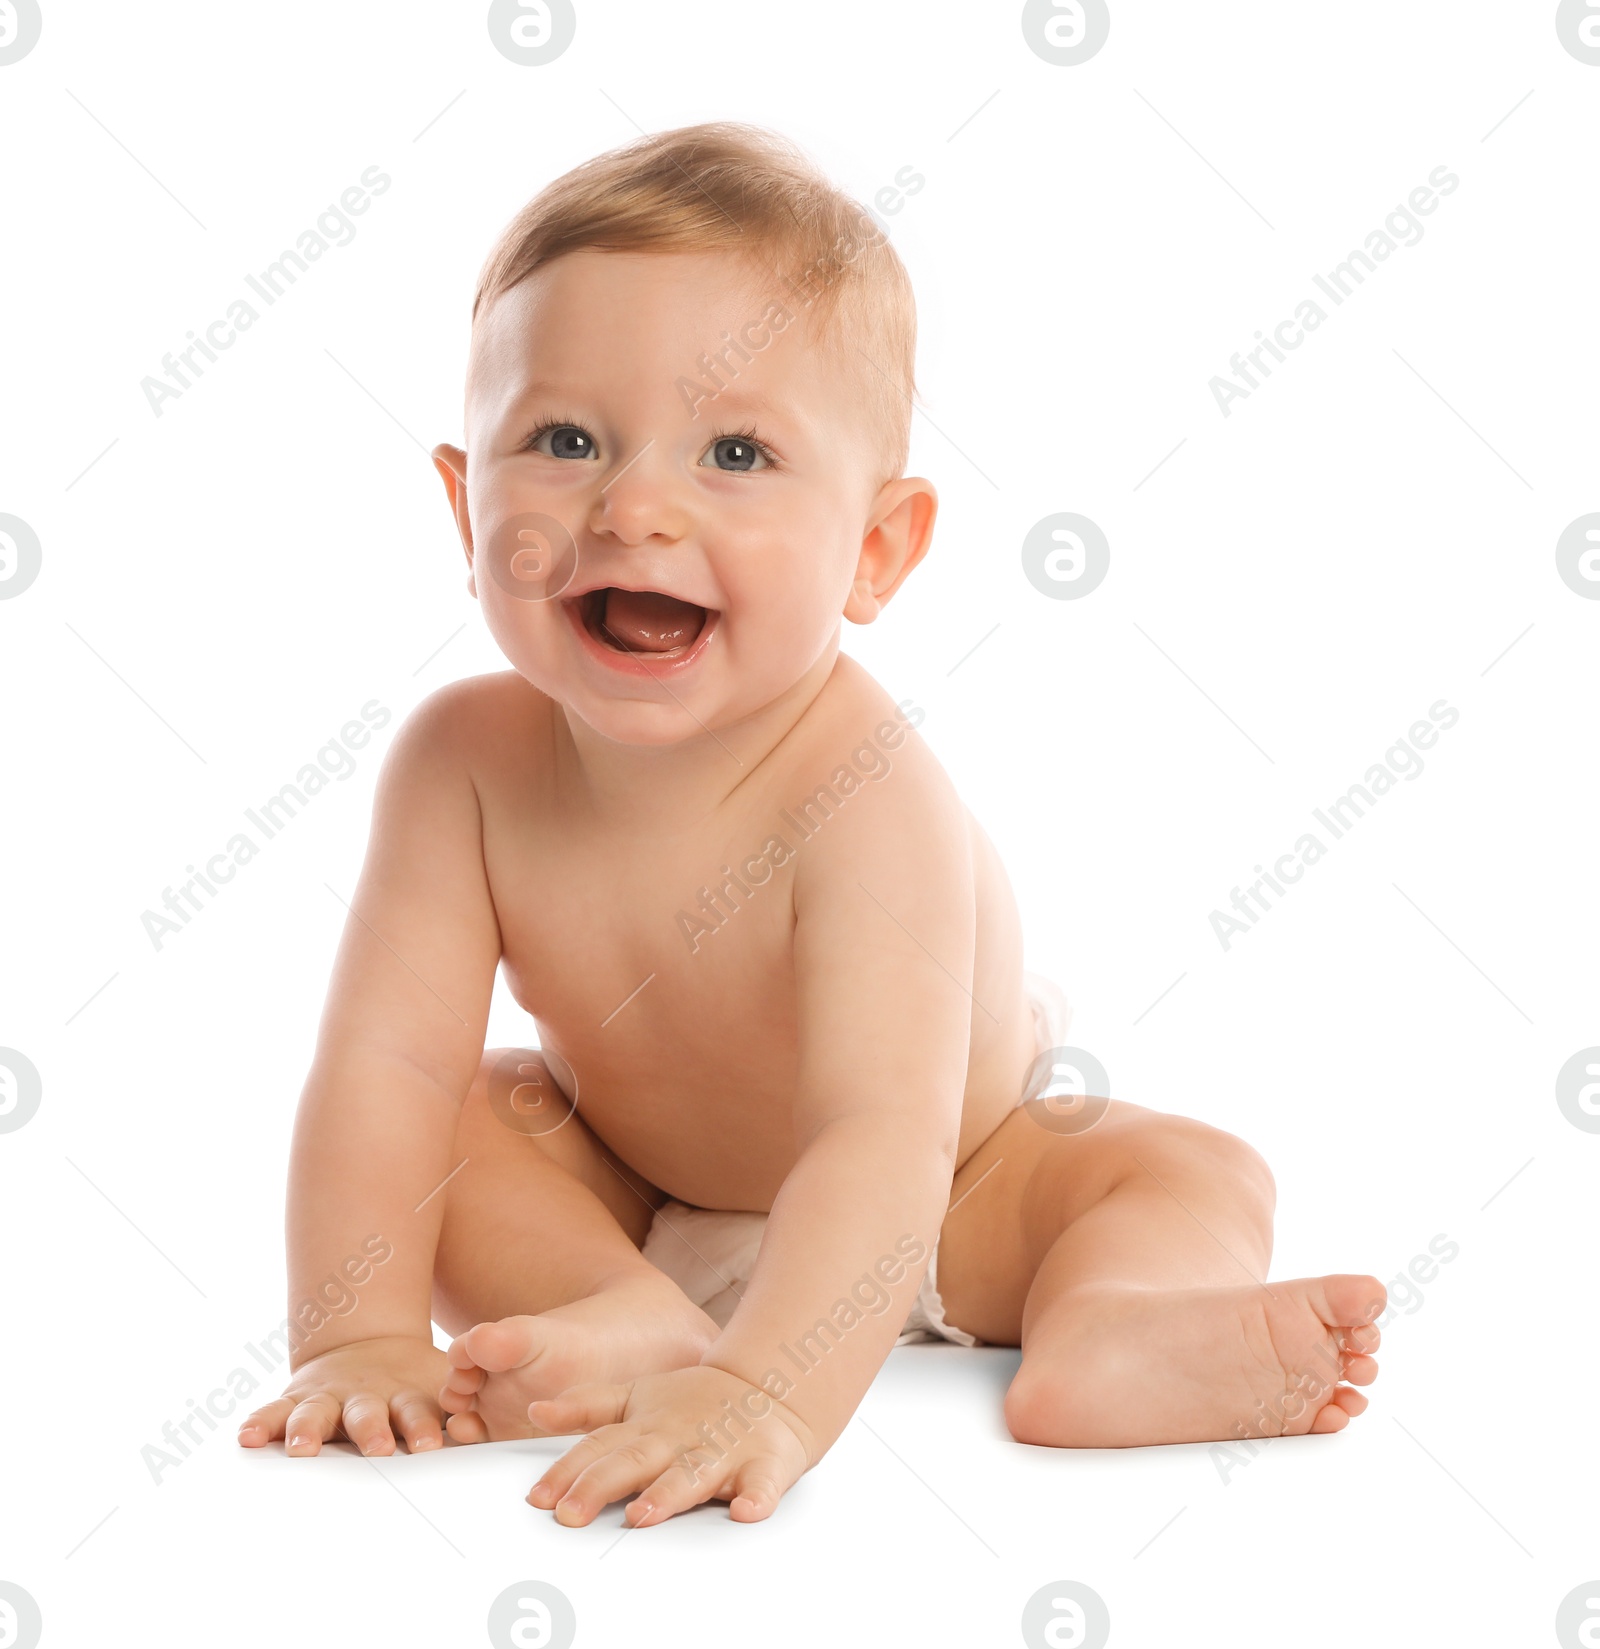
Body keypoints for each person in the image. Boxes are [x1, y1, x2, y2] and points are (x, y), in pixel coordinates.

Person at [238, 122, 1383, 1528]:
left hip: (961, 1198)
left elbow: (874, 1137)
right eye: (563, 438)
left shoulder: (866, 788)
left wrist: (771, 1388)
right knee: (468, 1113)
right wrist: (352, 1333)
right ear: (466, 502)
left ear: (876, 549)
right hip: (644, 1199)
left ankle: (1118, 1326)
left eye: (734, 450)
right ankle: (627, 1317)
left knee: (1183, 1168)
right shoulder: (458, 762)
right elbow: (383, 1069)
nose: (636, 505)